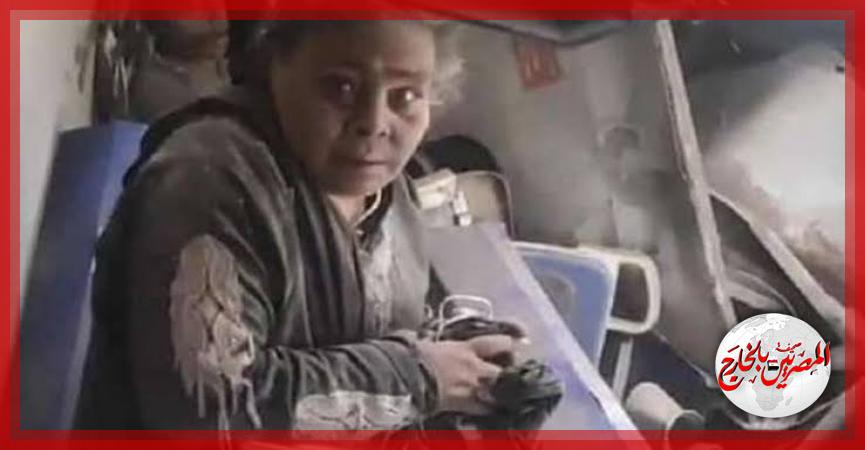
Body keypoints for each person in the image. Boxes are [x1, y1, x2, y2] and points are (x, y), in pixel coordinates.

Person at [75, 19, 520, 431]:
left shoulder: (394, 197)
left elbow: (374, 337)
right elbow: (210, 413)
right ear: (276, 64)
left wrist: (465, 363)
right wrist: (419, 377)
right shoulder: (209, 180)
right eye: (342, 87)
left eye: (405, 96)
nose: (373, 123)